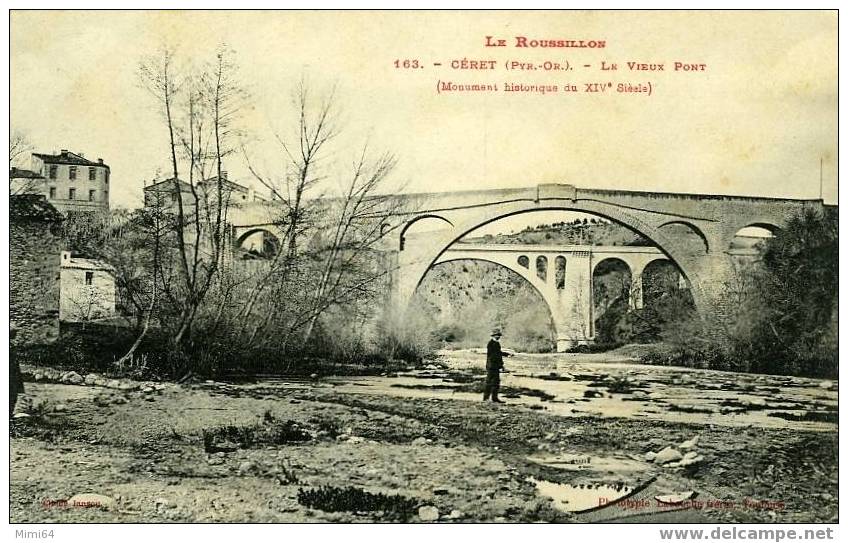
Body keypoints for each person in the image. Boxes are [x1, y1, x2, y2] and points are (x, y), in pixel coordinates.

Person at [483, 329, 509, 403]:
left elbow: (498, 354)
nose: (498, 336)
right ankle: (486, 398)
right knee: (490, 382)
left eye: (499, 335)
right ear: (493, 336)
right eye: (497, 335)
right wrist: (500, 365)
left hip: (494, 366)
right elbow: (495, 356)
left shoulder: (496, 343)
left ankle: (493, 398)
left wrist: (505, 354)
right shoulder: (491, 344)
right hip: (492, 366)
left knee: (495, 383)